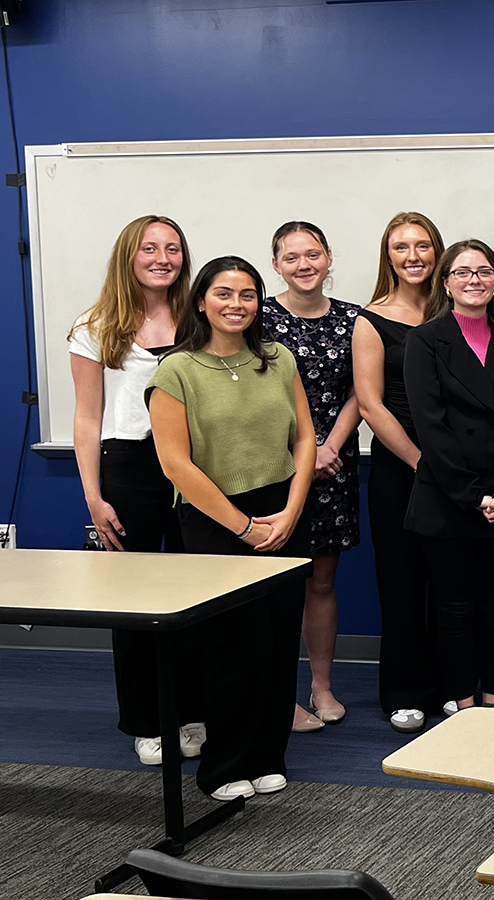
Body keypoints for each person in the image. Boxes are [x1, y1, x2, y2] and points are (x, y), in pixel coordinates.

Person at [147, 256, 316, 801]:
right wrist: (242, 527)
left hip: (282, 513)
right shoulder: (177, 370)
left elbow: (305, 440)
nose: (236, 304)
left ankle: (268, 754)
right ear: (201, 301)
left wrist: (290, 512)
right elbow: (175, 464)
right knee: (230, 646)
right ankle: (223, 766)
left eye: (247, 295)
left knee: (277, 640)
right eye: (223, 294)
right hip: (215, 519)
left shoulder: (278, 359)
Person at [68, 215, 204, 766]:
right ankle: (147, 721)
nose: (162, 258)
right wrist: (94, 498)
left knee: (198, 594)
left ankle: (193, 711)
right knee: (136, 602)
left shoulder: (201, 318)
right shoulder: (95, 326)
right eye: (150, 248)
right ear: (129, 256)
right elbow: (86, 417)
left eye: (172, 248)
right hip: (126, 467)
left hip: (194, 468)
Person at [404, 239, 494, 717]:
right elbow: (430, 427)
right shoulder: (425, 340)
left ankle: (493, 703)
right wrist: (473, 496)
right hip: (448, 499)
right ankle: (464, 707)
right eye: (462, 273)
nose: (474, 280)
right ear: (445, 282)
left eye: (484, 272)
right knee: (456, 611)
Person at [261, 221, 361, 734]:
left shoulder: (352, 319)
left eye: (313, 254)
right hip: (275, 466)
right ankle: (278, 695)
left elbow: (361, 392)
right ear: (276, 264)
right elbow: (252, 396)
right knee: (277, 585)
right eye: (292, 256)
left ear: (328, 259)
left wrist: (329, 448)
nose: (304, 264)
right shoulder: (256, 318)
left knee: (322, 582)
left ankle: (321, 686)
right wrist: (305, 452)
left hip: (334, 465)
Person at [352, 211, 444, 734]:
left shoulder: (457, 307)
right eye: (401, 247)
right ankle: (405, 691)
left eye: (423, 245)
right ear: (388, 257)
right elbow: (370, 405)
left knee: (451, 582)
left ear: (437, 251)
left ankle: (451, 685)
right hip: (400, 468)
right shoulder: (371, 319)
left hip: (455, 468)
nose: (413, 256)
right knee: (403, 582)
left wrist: (449, 464)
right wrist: (420, 463)